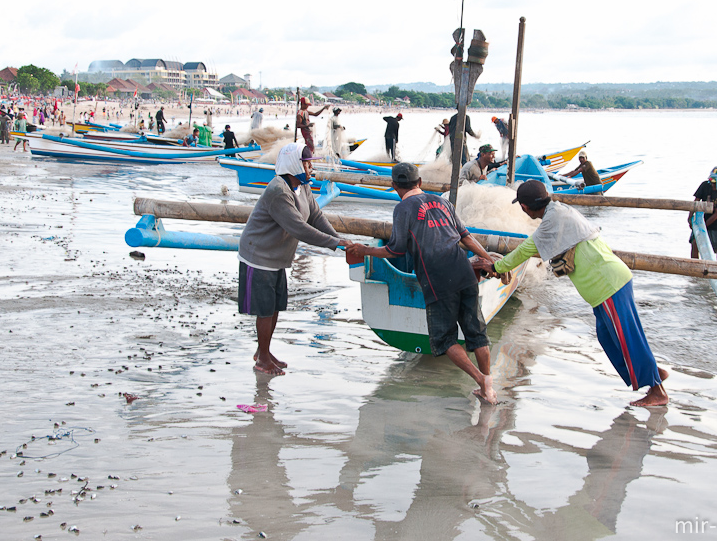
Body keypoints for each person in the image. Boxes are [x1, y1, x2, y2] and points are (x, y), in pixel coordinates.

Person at [481, 180, 668, 407]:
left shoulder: (552, 221)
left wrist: (497, 267)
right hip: (606, 285)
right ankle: (649, 369)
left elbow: (526, 250)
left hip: (608, 284)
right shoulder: (558, 210)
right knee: (609, 338)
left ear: (525, 207)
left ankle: (656, 390)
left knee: (625, 338)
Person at [346, 163, 500, 403]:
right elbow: (466, 238)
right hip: (464, 272)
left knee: (446, 339)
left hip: (438, 279)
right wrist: (491, 260)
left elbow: (395, 250)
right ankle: (489, 383)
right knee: (477, 333)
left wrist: (366, 250)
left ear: (395, 186)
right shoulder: (443, 202)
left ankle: (480, 380)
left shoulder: (402, 208)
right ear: (419, 183)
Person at [238, 143, 354, 374]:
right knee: (265, 309)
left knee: (275, 306)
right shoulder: (279, 191)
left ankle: (264, 351)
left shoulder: (302, 187)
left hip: (277, 256)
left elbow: (316, 217)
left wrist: (340, 240)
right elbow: (299, 228)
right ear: (293, 166)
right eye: (307, 163)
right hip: (259, 255)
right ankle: (262, 359)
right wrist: (335, 244)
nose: (311, 167)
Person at [689, 166, 717, 262]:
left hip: (715, 223)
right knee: (695, 243)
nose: (712, 184)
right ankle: (694, 266)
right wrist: (690, 217)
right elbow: (696, 202)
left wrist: (704, 226)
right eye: (711, 181)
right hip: (700, 219)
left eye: (715, 182)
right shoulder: (705, 185)